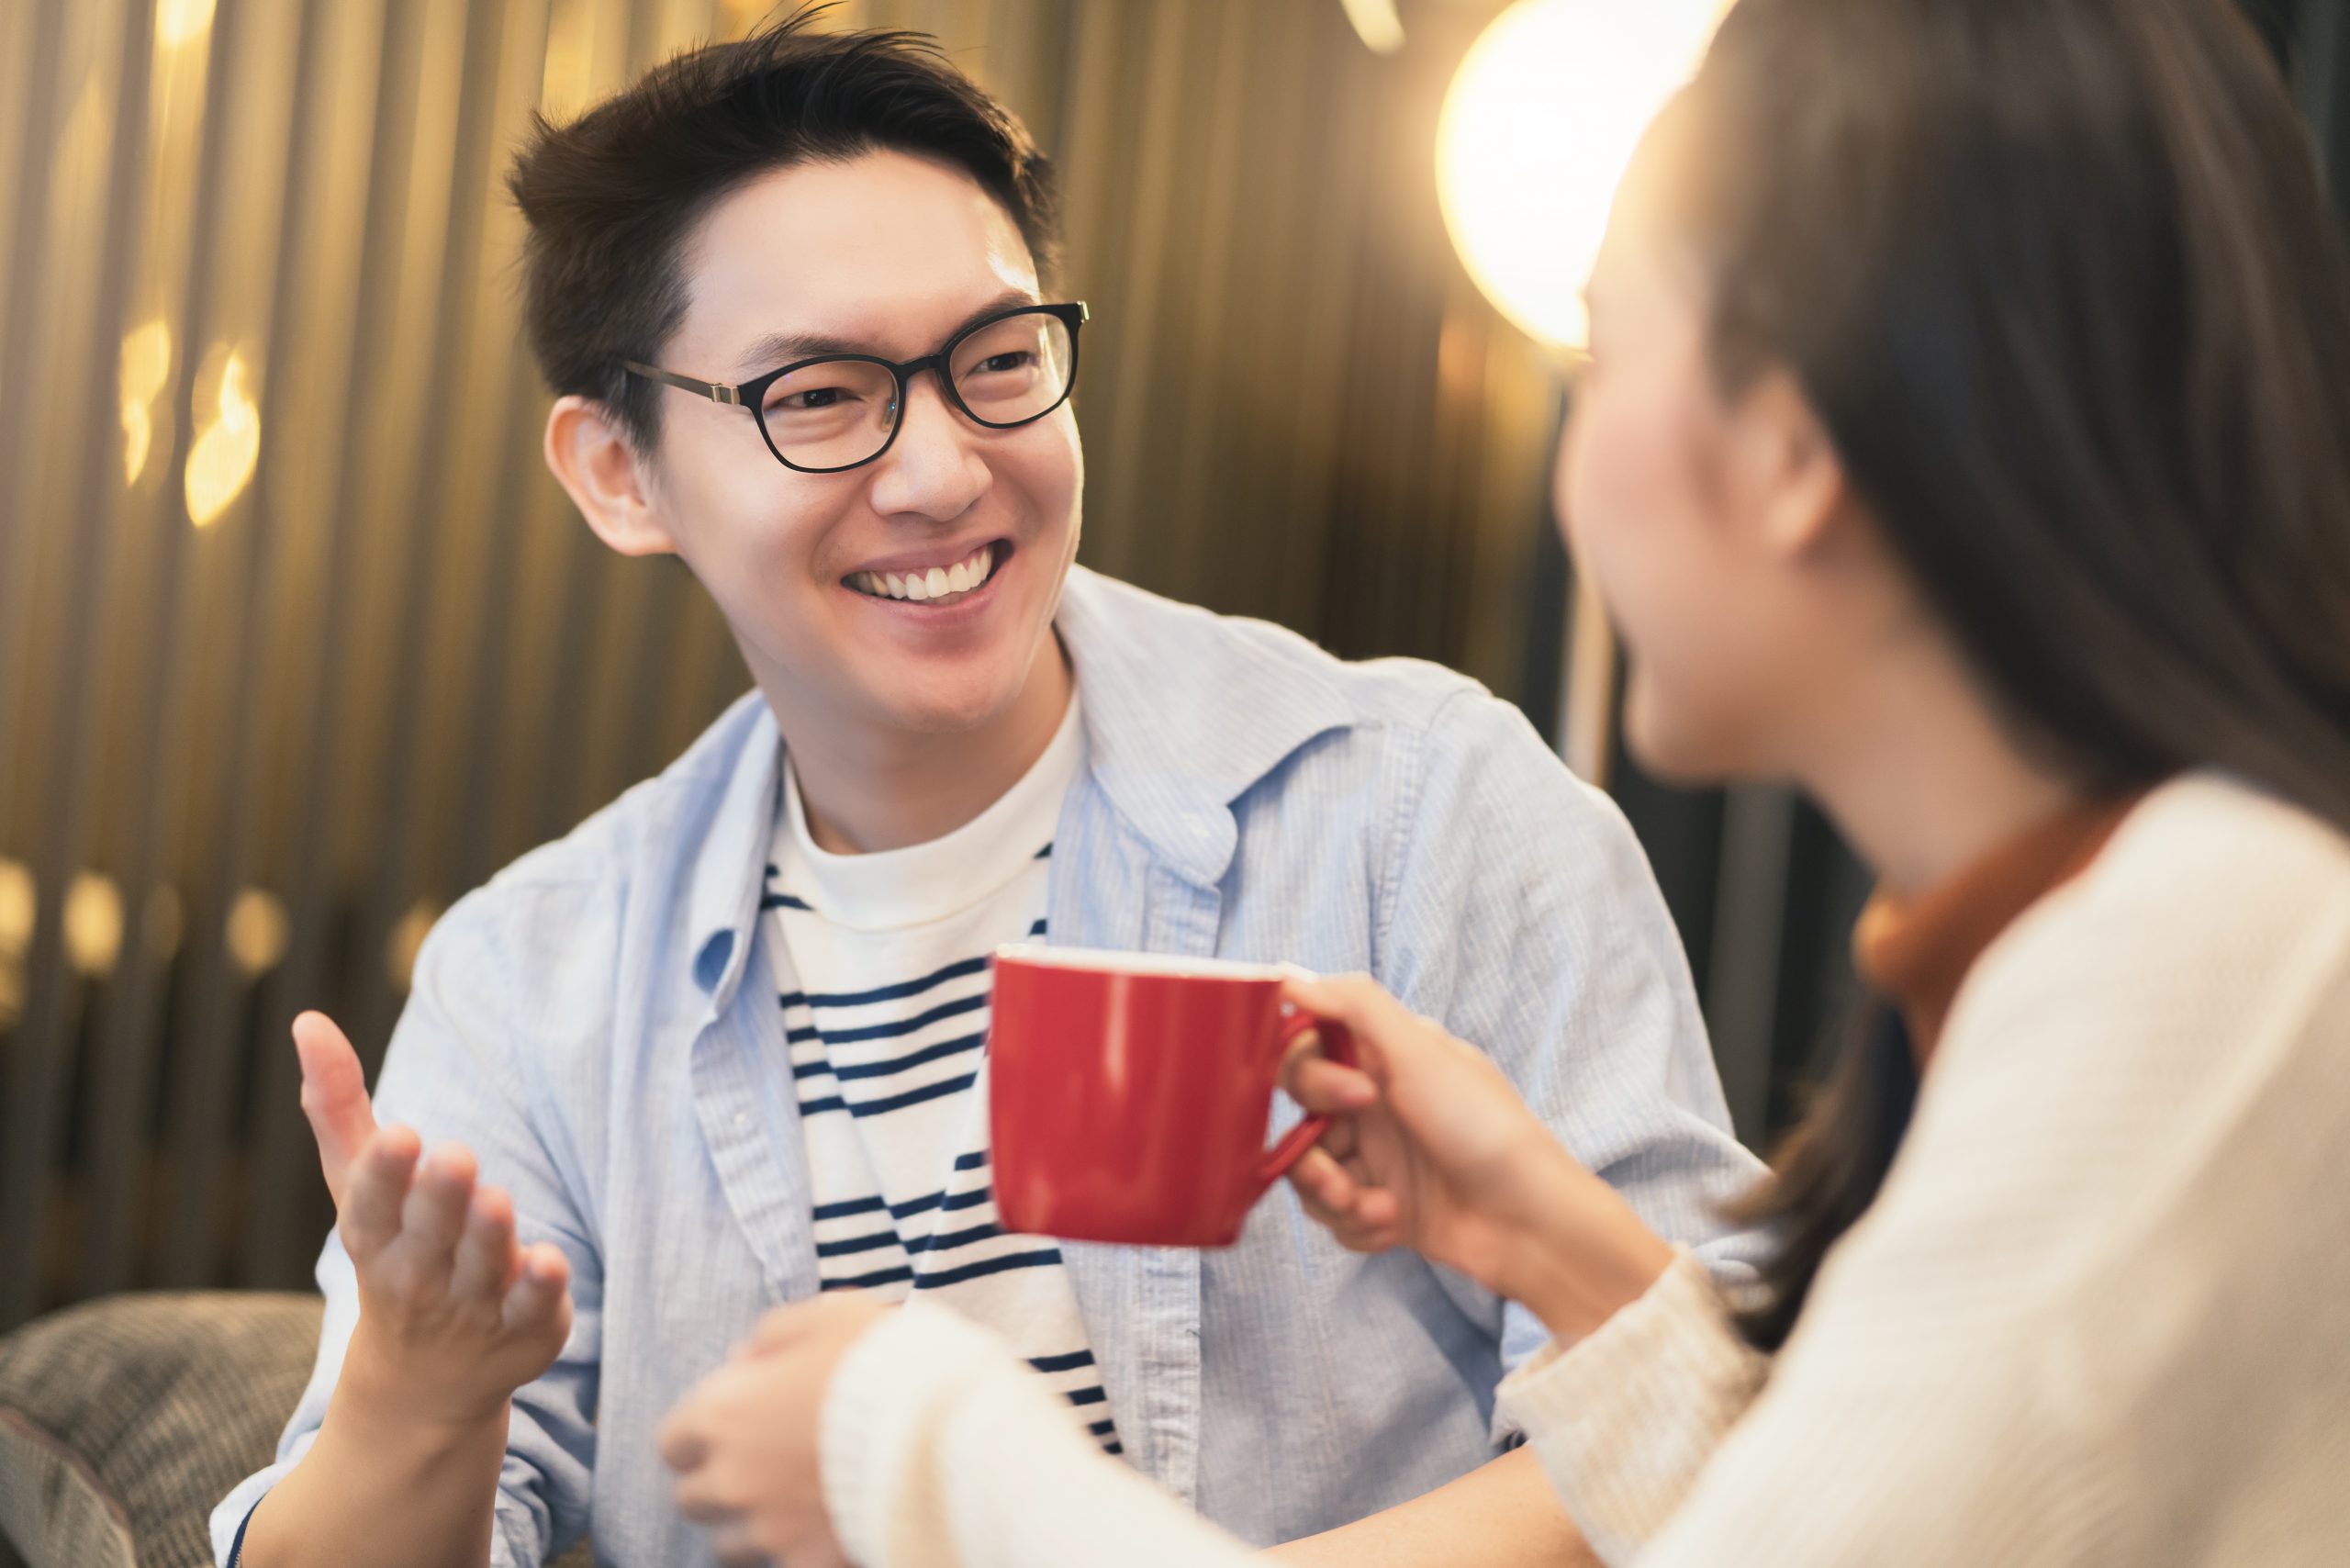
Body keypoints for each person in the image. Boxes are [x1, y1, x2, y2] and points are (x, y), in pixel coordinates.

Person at [661, 0, 2350, 1563]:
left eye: (1608, 354)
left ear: (1792, 448)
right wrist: (1548, 1237)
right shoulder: (2116, 938)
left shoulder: (2204, 953)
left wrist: (912, 1437)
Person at [209, 16, 1767, 1568]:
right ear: (620, 473)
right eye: (818, 396)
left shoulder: (1425, 816)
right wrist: (417, 1400)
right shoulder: (537, 985)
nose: (945, 471)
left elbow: (1716, 1440)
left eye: (999, 360)